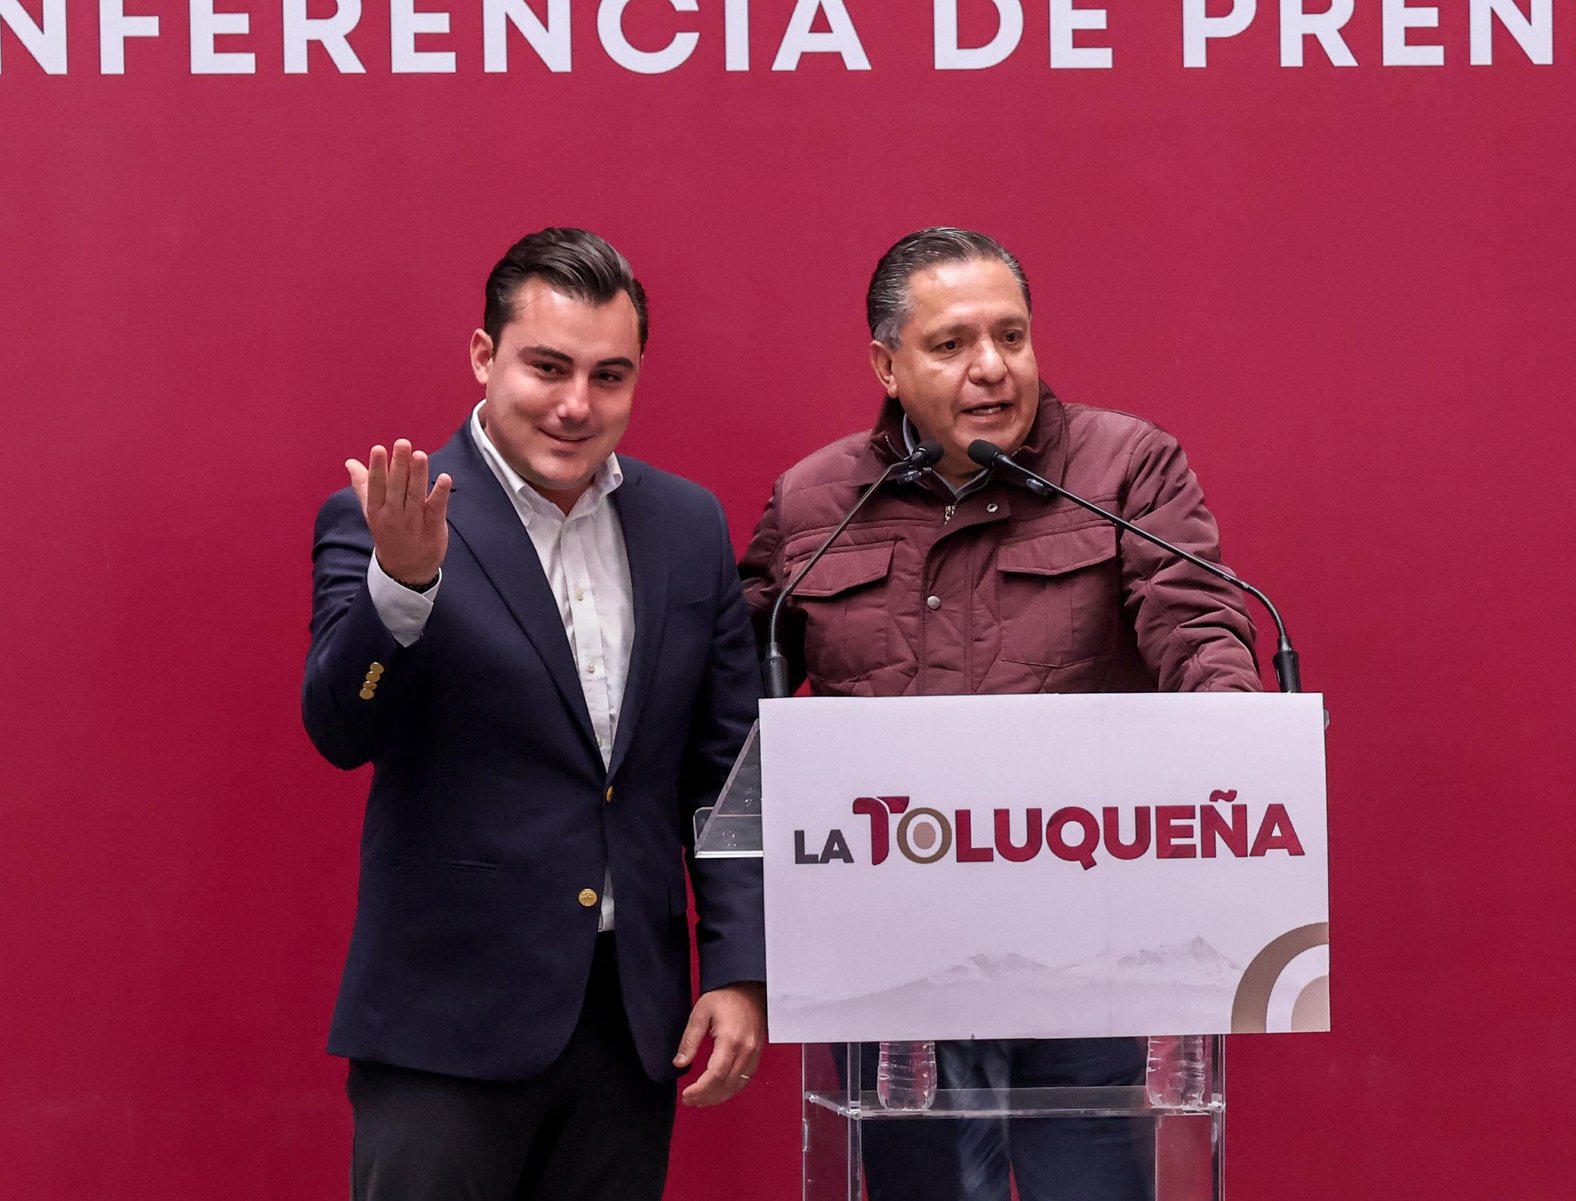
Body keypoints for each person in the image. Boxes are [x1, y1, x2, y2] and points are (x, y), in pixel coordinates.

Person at [739, 227, 1261, 1200]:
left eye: (1011, 336)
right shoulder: (815, 503)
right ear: (886, 366)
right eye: (951, 344)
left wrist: (1238, 743)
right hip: (891, 963)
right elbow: (734, 708)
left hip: (1084, 946)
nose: (992, 367)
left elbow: (1197, 628)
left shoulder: (1123, 469)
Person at [303, 227, 766, 1201]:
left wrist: (739, 967)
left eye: (609, 375)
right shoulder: (388, 517)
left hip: (631, 1023)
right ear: (484, 355)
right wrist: (402, 586)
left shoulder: (689, 526)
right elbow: (340, 728)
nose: (576, 404)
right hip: (444, 1028)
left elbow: (728, 769)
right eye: (547, 367)